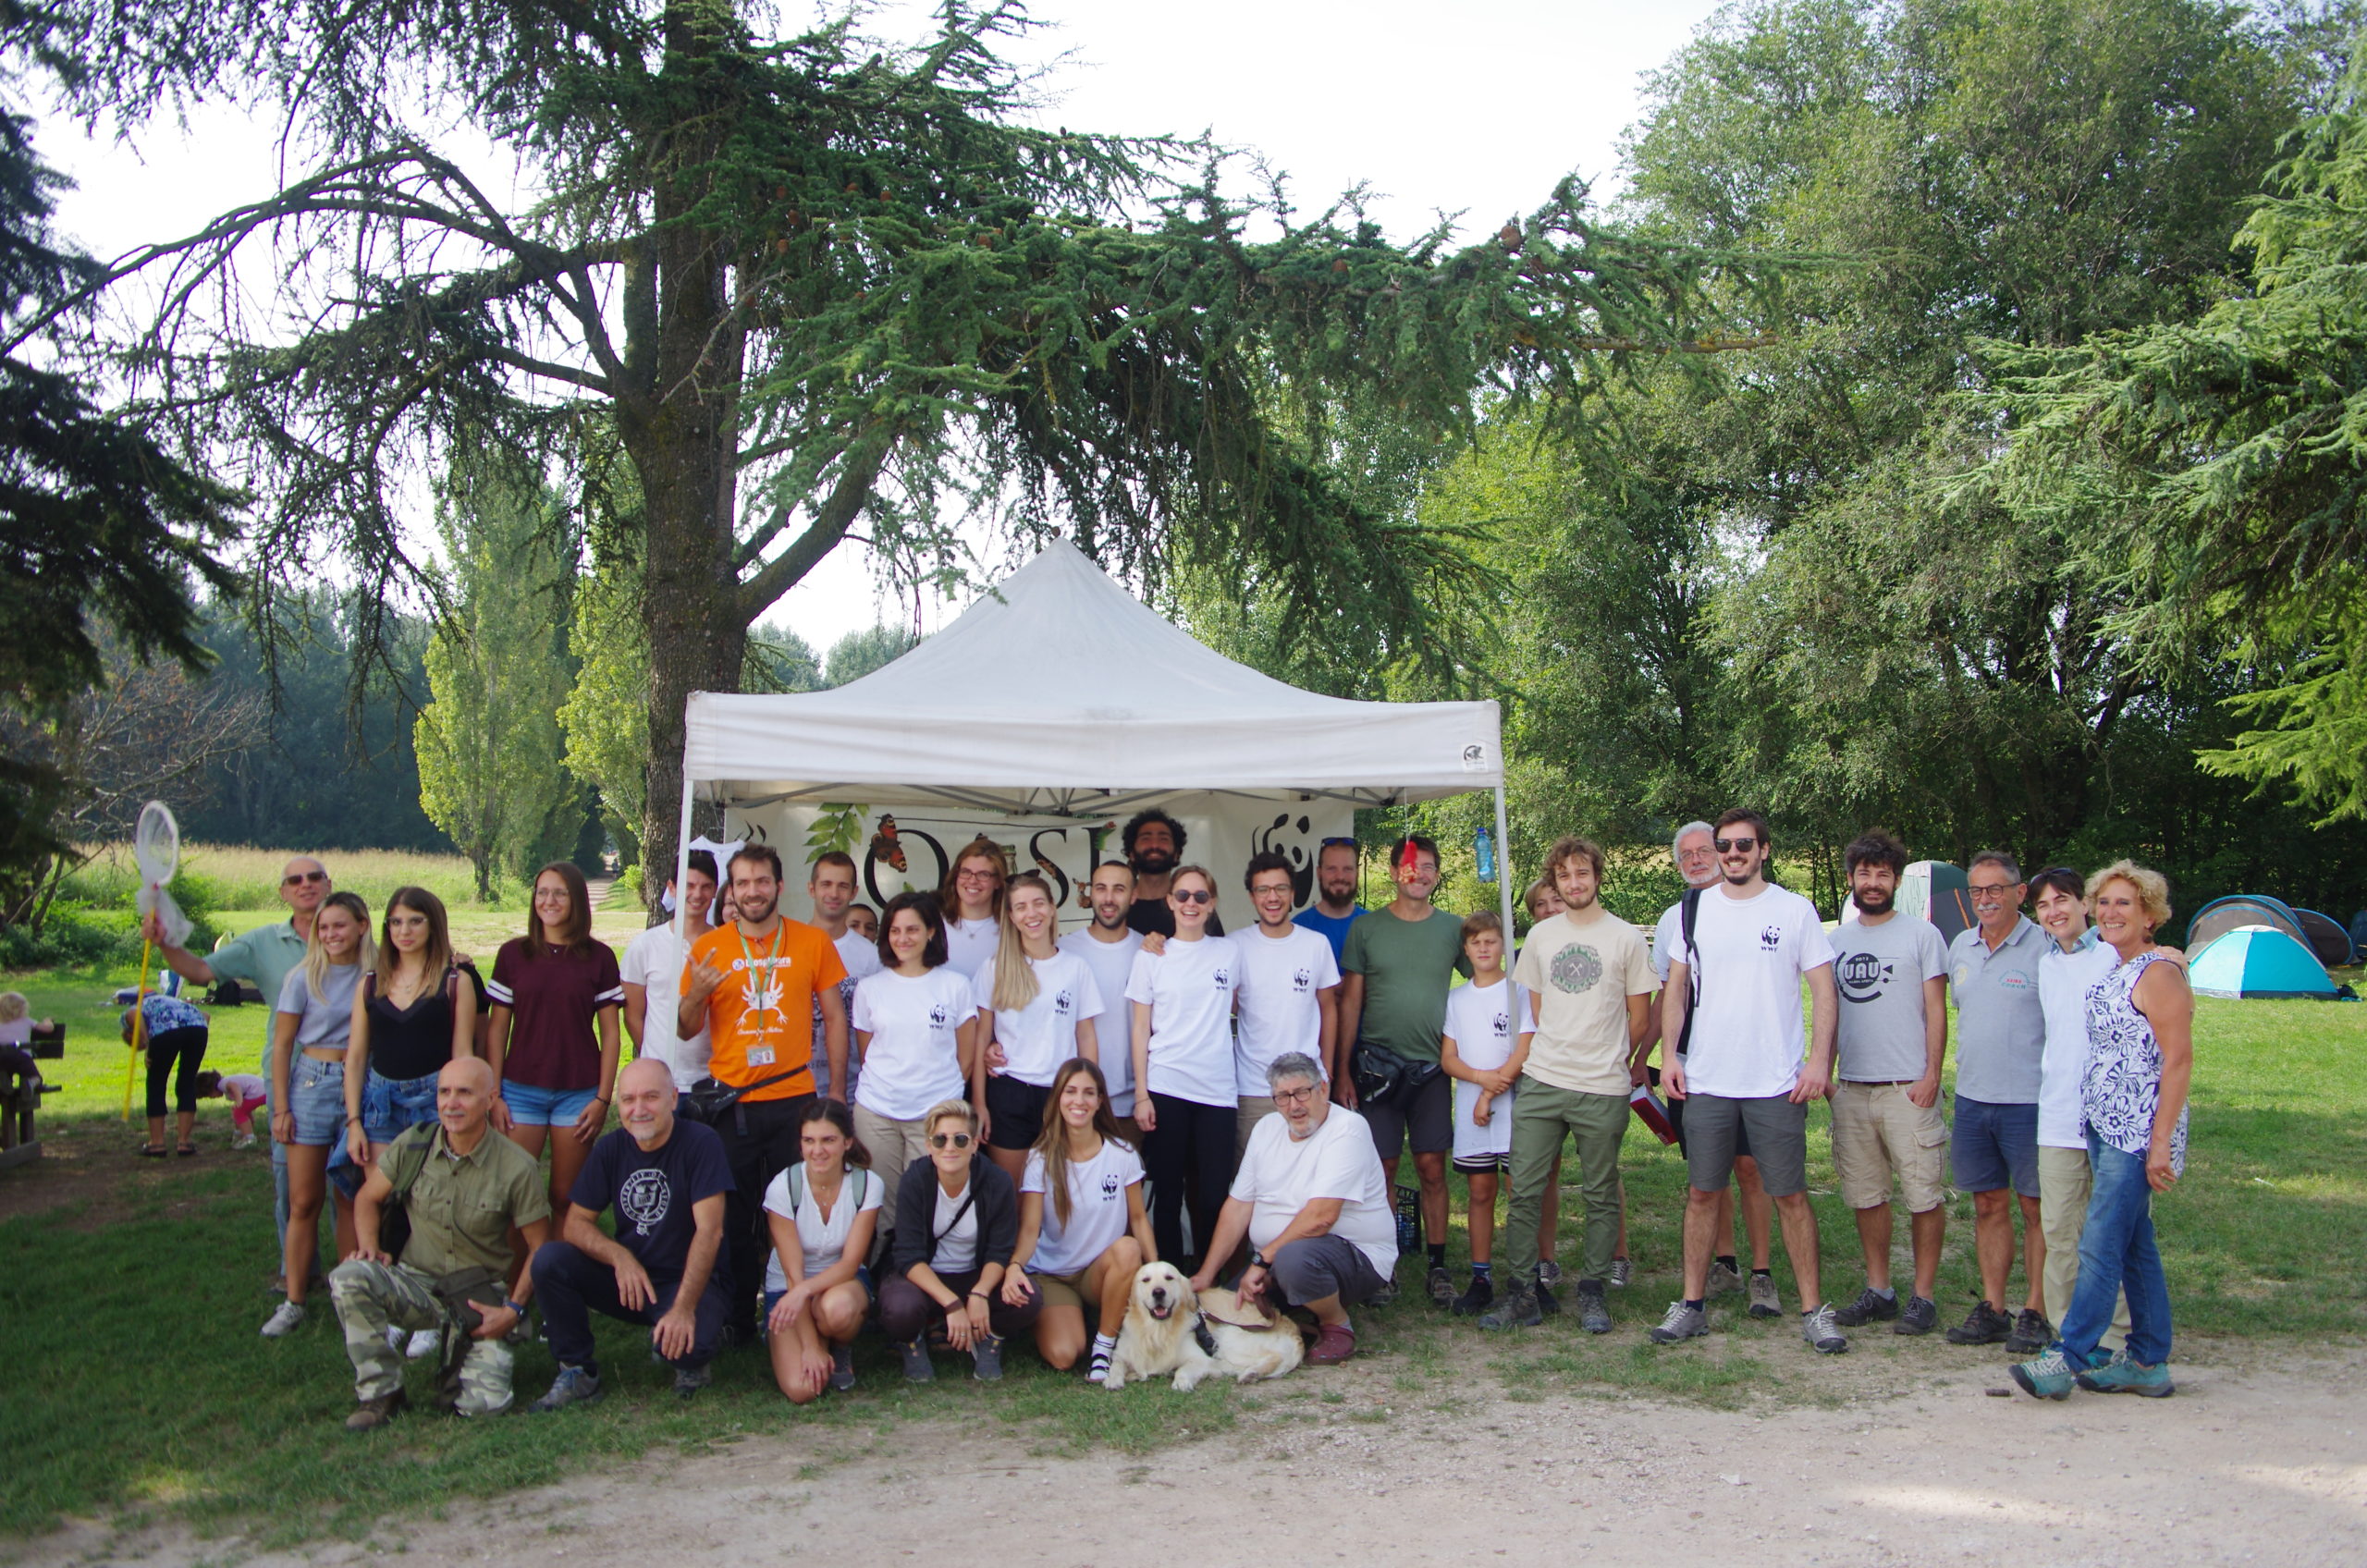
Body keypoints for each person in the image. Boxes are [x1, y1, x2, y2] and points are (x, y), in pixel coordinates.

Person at [1654, 809, 1846, 1354]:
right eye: (1725, 845)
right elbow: (1675, 989)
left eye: (1743, 845)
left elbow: (1824, 991)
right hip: (1708, 1079)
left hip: (1774, 1082)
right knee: (1701, 1194)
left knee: (1789, 1195)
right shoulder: (1692, 911)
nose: (1733, 854)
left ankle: (1814, 1310)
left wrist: (1818, 1062)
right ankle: (1691, 1306)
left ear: (1763, 849)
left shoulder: (1794, 910)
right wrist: (1671, 1055)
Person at [2012, 861, 2192, 1400]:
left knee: (2100, 1243)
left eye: (2125, 905)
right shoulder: (2117, 967)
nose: (2112, 913)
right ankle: (2148, 1362)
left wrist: (2160, 1143)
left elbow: (2178, 1061)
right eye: (2107, 903)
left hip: (2138, 1133)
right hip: (2103, 1124)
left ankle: (2070, 1356)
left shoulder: (2157, 973)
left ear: (2150, 916)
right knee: (2138, 1247)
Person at [679, 843, 849, 1343]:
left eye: (761, 881)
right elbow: (688, 1030)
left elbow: (836, 1017)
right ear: (732, 890)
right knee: (732, 1215)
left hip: (793, 1097)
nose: (752, 891)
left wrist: (835, 1090)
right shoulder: (710, 947)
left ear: (779, 886)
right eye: (743, 883)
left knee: (793, 1210)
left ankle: (792, 1306)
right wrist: (694, 995)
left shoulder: (812, 941)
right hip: (731, 1103)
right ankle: (736, 1315)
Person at [1485, 839, 1657, 1333]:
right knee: (1524, 1190)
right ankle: (1522, 1294)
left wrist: (1607, 1057)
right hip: (1542, 1081)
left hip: (1602, 1085)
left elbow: (1640, 1018)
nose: (1574, 884)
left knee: (1600, 1191)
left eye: (1582, 874)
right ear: (1554, 881)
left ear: (1597, 877)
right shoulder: (1540, 937)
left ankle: (1593, 1291)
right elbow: (1538, 1011)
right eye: (1564, 877)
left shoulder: (1626, 938)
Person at [328, 1057, 551, 1428]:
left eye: (465, 1093)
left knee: (482, 1406)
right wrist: (369, 1246)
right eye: (444, 1092)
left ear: (491, 1099)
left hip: (479, 1297)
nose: (451, 1103)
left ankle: (459, 1350)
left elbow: (540, 1247)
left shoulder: (517, 1166)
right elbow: (367, 1198)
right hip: (417, 1284)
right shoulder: (414, 1144)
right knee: (349, 1276)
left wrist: (513, 1310)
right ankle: (381, 1393)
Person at [146, 853, 332, 1281]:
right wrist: (164, 943)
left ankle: (354, 1279)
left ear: (328, 884)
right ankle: (297, 1275)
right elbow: (199, 971)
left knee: (346, 1183)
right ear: (283, 893)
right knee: (290, 1185)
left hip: (350, 1072)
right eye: (295, 880)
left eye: (314, 877)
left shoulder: (354, 932)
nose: (306, 884)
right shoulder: (260, 942)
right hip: (288, 1073)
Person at [530, 1057, 735, 1408]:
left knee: (692, 1347)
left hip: (687, 1281)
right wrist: (619, 1257)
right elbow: (575, 1223)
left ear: (673, 1098)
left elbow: (710, 1232)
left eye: (650, 1098)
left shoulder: (701, 1143)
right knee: (550, 1260)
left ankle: (684, 1352)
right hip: (631, 1281)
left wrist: (683, 1309)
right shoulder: (611, 1148)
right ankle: (577, 1370)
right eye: (628, 1100)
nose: (638, 1109)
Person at [1190, 1052, 1396, 1366]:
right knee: (1220, 1316)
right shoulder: (1265, 1129)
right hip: (1275, 1259)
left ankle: (1336, 1325)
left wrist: (1262, 1261)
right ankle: (1294, 1315)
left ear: (1323, 1089)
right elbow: (1238, 1207)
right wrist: (1206, 1275)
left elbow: (1321, 1218)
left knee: (1294, 1261)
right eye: (1283, 1097)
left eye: (1303, 1092)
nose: (1294, 1106)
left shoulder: (1348, 1129)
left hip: (1355, 1256)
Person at [1822, 831, 1950, 1336]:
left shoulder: (1922, 936)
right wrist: (1829, 1078)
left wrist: (1932, 1076)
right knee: (1866, 1195)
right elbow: (1827, 1015)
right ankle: (1880, 1291)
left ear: (1896, 881)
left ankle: (1923, 1296)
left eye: (1883, 874)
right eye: (1864, 873)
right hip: (1852, 1089)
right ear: (1852, 878)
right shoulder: (1834, 942)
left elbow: (1936, 1010)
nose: (1873, 883)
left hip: (1907, 1089)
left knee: (1923, 1195)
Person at [1645, 821, 1776, 1312]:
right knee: (1707, 1171)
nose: (1698, 860)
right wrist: (1650, 1057)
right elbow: (1667, 994)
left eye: (1706, 851)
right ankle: (1726, 1263)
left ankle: (1762, 1271)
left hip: (1750, 1059)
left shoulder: (1753, 906)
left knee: (1750, 1167)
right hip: (1694, 1061)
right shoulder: (1671, 919)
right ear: (1677, 864)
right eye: (1687, 855)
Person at [1338, 833, 1469, 1306]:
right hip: (1376, 1067)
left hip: (1433, 1069)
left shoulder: (1454, 929)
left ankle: (1438, 1267)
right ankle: (1384, 1266)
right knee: (1383, 1168)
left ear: (1437, 874)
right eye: (1411, 866)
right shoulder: (1366, 930)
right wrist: (1342, 1070)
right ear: (1394, 872)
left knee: (1433, 1167)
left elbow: (1488, 983)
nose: (1419, 874)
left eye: (1429, 866)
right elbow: (1350, 1002)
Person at [486, 863, 624, 1269]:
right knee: (518, 1197)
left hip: (578, 1093)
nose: (549, 901)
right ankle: (515, 1289)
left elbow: (612, 1035)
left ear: (577, 900)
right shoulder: (514, 954)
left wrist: (603, 1098)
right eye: (542, 892)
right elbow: (497, 1030)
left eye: (559, 893)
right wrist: (494, 1092)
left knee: (565, 1197)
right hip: (519, 1090)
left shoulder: (598, 958)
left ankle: (555, 1286)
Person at [1944, 851, 2054, 1354]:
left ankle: (2036, 1309)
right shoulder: (1962, 947)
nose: (1985, 899)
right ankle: (1993, 1308)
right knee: (1988, 1205)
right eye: (1977, 891)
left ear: (2020, 892)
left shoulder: (2048, 946)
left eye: (1996, 889)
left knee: (2036, 1208)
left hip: (2029, 1102)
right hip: (1973, 1098)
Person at [2031, 864, 2133, 1355]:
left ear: (2084, 905)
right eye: (2044, 905)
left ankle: (2114, 1336)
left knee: (2108, 1232)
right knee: (2059, 1232)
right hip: (2056, 1117)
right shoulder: (2045, 963)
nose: (2054, 912)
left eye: (2062, 900)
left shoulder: (2115, 956)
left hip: (2110, 1117)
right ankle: (2066, 1331)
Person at [264, 890, 375, 1339]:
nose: (330, 935)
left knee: (351, 1196)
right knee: (303, 1201)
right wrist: (282, 1107)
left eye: (339, 926)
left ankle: (352, 1295)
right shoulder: (303, 976)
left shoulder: (376, 972)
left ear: (361, 927)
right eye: (323, 927)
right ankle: (294, 1299)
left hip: (362, 1084)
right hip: (310, 1084)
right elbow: (283, 1045)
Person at [1005, 1058, 1153, 1381]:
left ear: (1100, 1101)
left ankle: (1104, 1346)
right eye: (1070, 1092)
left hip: (1097, 1272)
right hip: (1053, 1274)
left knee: (1128, 1249)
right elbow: (1030, 1229)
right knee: (1064, 1356)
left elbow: (1139, 1220)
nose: (1079, 1101)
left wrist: (1157, 1271)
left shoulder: (1122, 1154)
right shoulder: (1039, 1159)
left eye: (1089, 1093)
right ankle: (1061, 1319)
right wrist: (1015, 1265)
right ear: (1058, 1099)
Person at [1127, 864, 1242, 1270]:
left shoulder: (1230, 952)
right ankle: (1171, 1277)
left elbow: (1243, 1004)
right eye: (1183, 896)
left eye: (1200, 896)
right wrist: (1142, 1094)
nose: (1190, 904)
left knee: (1213, 1193)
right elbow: (1141, 1029)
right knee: (1168, 1194)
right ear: (1169, 902)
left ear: (1212, 904)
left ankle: (1209, 1279)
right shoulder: (1151, 955)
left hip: (1217, 1091)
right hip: (1165, 1087)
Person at [879, 1099, 1041, 1381]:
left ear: (975, 1144)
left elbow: (1000, 1250)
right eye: (940, 1140)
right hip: (926, 1276)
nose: (950, 1147)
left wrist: (979, 1293)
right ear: (929, 1146)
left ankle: (991, 1338)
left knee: (1028, 1298)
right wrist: (953, 1304)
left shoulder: (996, 1181)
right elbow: (908, 1255)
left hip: (974, 1274)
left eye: (960, 1139)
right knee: (900, 1309)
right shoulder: (915, 1179)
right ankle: (912, 1341)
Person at [850, 890, 979, 1223]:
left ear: (931, 932)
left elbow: (966, 1057)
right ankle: (884, 1273)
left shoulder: (956, 985)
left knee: (928, 1204)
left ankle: (923, 1272)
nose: (903, 938)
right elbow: (867, 1053)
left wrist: (939, 1099)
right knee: (879, 1206)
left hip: (936, 1114)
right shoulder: (870, 988)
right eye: (895, 930)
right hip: (877, 1112)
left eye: (912, 930)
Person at [1437, 911, 1538, 1317]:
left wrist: (1491, 1092)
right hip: (1473, 1114)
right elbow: (1449, 1059)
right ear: (1466, 949)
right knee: (1480, 1193)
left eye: (1491, 941)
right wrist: (1480, 1083)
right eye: (1475, 942)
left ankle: (1527, 1278)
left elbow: (1525, 1048)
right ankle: (1481, 1277)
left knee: (1521, 1192)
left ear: (1503, 946)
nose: (1483, 948)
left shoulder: (1519, 993)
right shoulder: (1457, 999)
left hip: (1515, 1110)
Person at [974, 872, 1102, 1181]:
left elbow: (1085, 1036)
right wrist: (979, 1103)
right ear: (1011, 917)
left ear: (1052, 908)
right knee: (1013, 1196)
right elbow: (980, 1038)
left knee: (1063, 1193)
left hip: (1062, 1095)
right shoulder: (994, 967)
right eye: (1021, 907)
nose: (1031, 913)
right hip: (1009, 1093)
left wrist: (1090, 1095)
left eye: (1038, 903)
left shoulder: (1076, 967)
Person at [762, 1098, 882, 1403]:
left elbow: (851, 1262)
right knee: (803, 1390)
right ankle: (811, 1342)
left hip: (841, 1283)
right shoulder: (783, 1187)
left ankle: (838, 1346)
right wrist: (809, 1346)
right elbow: (793, 1275)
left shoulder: (867, 1184)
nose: (818, 1151)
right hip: (790, 1288)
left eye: (828, 1140)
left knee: (836, 1310)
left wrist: (805, 1293)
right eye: (809, 1141)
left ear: (847, 1142)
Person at [347, 887, 475, 1169]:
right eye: (395, 922)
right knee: (380, 1196)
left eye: (415, 921)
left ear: (434, 925)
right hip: (381, 1102)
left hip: (435, 1098)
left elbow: (463, 1055)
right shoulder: (369, 984)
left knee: (432, 1197)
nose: (404, 930)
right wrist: (354, 1121)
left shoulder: (455, 982)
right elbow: (356, 1058)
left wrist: (463, 1109)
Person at [1232, 851, 1342, 1155]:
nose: (1273, 897)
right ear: (1252, 896)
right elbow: (1227, 1004)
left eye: (1281, 888)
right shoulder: (1234, 946)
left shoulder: (1315, 944)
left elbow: (1328, 1008)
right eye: (1263, 889)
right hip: (1254, 1088)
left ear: (1293, 893)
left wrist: (1327, 1071)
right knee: (1254, 1182)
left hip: (1308, 1086)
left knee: (1307, 1182)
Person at [620, 850, 718, 1105]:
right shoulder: (645, 946)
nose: (697, 895)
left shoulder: (726, 945)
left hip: (712, 1078)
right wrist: (653, 1057)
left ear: (715, 891)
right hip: (661, 1082)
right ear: (672, 888)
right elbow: (633, 1014)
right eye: (689, 885)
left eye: (706, 887)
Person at [1059, 862, 1147, 1133]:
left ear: (1133, 895)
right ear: (1090, 895)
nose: (1108, 899)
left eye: (1118, 889)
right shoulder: (1063, 950)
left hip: (1133, 1104)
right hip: (1075, 1102)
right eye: (1101, 889)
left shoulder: (1149, 951)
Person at [808, 851, 884, 1100]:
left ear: (853, 892)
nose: (833, 894)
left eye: (842, 886)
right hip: (798, 1087)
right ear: (811, 889)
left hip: (855, 1088)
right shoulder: (790, 946)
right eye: (826, 884)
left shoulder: (871, 957)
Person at [124, 991, 210, 1158]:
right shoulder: (168, 1002)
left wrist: (147, 1044)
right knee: (187, 1083)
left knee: (156, 1084)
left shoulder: (130, 1014)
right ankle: (184, 1143)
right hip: (198, 1028)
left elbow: (133, 1014)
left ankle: (156, 1144)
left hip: (165, 1032)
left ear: (129, 1034)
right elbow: (205, 1016)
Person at [1120, 808, 1224, 938]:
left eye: (1163, 839)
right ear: (1131, 853)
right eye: (1146, 838)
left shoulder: (1194, 905)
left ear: (1177, 854)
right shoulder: (1118, 905)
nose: (1154, 845)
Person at [937, 836, 1011, 979]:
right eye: (965, 872)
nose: (972, 880)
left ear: (998, 882)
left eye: (983, 874)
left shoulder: (1010, 928)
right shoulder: (934, 923)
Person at [1294, 838, 1364, 964]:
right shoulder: (1298, 929)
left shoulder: (1373, 928)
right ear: (1319, 873)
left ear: (1357, 873)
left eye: (1347, 869)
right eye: (1332, 869)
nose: (1340, 876)